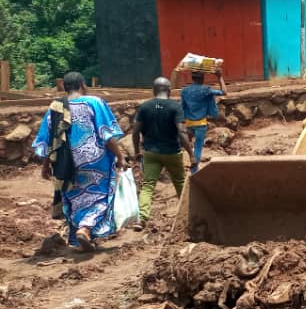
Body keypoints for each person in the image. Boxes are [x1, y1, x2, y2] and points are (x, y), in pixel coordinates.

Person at [32, 72, 126, 252]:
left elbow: (48, 141)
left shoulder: (55, 107)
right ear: (83, 85)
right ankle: (86, 228)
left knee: (75, 198)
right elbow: (106, 134)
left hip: (65, 163)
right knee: (102, 195)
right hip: (94, 160)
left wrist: (45, 166)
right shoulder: (94, 102)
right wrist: (120, 157)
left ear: (63, 87)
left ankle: (80, 238)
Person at [132, 77, 193, 230]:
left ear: (154, 90)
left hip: (151, 153)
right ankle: (189, 215)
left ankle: (142, 219)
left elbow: (135, 131)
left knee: (147, 186)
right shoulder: (175, 107)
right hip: (172, 152)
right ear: (169, 90)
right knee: (180, 183)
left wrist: (137, 151)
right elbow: (181, 132)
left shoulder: (145, 107)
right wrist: (191, 153)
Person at [178, 69, 226, 174]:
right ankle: (194, 170)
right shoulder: (206, 90)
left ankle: (180, 167)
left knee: (186, 145)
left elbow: (181, 106)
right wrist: (219, 77)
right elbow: (224, 92)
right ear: (203, 78)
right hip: (200, 124)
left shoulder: (185, 91)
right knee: (198, 147)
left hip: (188, 123)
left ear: (192, 78)